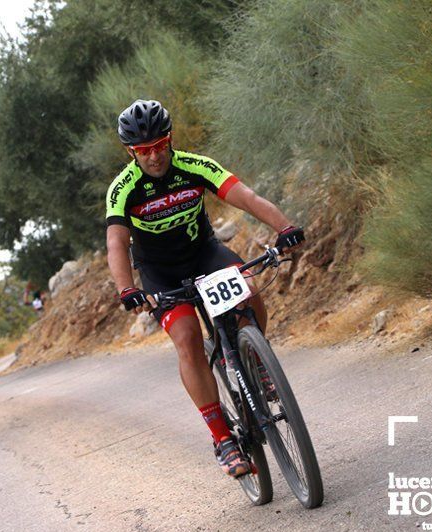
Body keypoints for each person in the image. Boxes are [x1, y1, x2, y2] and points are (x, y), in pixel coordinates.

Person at [105, 99, 305, 477]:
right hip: (160, 274)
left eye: (160, 145)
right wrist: (126, 289)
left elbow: (245, 196)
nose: (154, 156)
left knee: (248, 287)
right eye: (143, 151)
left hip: (204, 254)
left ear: (170, 139)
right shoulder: (123, 188)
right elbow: (116, 242)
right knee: (187, 337)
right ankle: (222, 438)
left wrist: (285, 227)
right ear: (131, 152)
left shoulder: (194, 166)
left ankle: (257, 364)